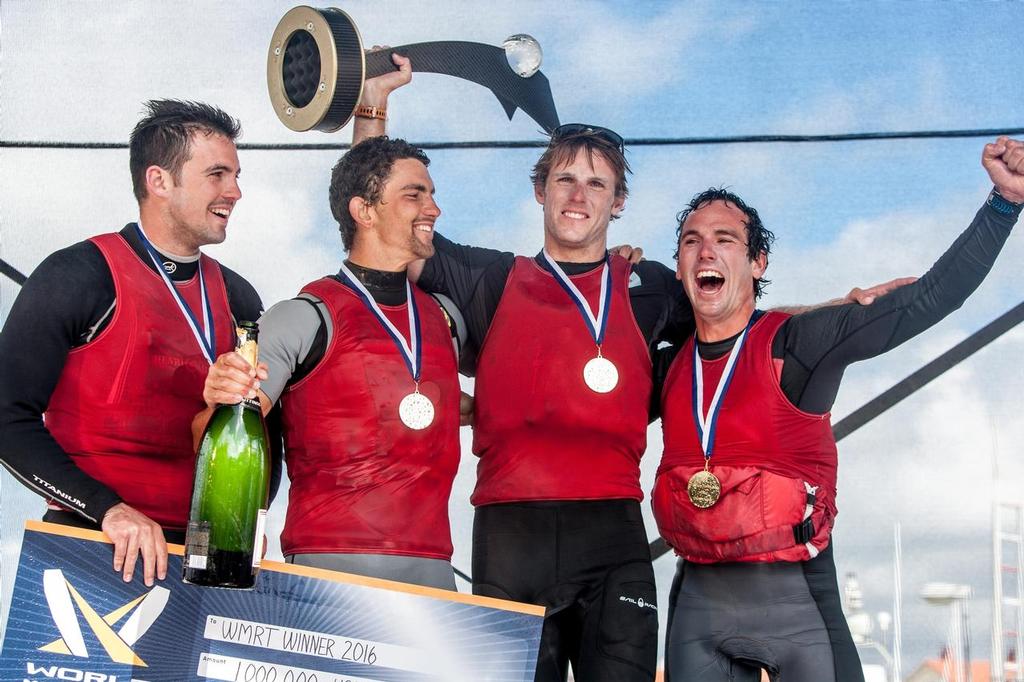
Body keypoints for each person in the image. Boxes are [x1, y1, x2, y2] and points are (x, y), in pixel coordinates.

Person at [355, 59, 904, 681]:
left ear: (618, 203)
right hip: (510, 537)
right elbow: (385, 226)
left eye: (596, 184)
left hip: (613, 538)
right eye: (564, 179)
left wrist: (838, 307)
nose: (577, 195)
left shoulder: (650, 289)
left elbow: (734, 319)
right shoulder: (493, 278)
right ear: (540, 191)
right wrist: (372, 106)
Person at [652, 137, 1024, 682]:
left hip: (800, 608)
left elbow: (928, 300)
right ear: (681, 265)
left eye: (725, 239)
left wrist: (1004, 202)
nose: (706, 250)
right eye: (692, 241)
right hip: (697, 613)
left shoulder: (801, 342)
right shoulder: (664, 368)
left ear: (757, 263)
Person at [200, 55, 464, 590]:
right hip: (327, 570)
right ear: (364, 211)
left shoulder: (441, 317)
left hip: (434, 576)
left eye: (432, 194)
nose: (433, 208)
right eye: (415, 195)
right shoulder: (303, 317)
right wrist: (217, 395)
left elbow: (434, 408)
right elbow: (218, 438)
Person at [0, 100, 271, 587]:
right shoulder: (78, 274)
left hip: (205, 556)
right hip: (96, 538)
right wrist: (108, 510)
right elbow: (5, 414)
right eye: (217, 174)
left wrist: (251, 518)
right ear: (159, 180)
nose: (235, 191)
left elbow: (266, 432)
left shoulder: (240, 297)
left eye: (235, 175)